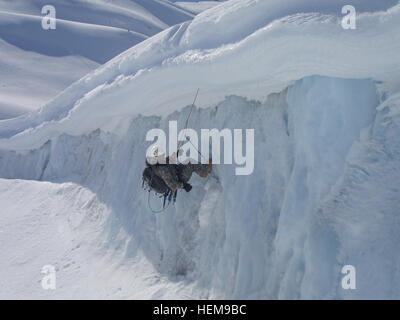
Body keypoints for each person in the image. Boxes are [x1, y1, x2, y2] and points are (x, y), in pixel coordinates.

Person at [144, 145, 212, 194]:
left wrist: (176, 154)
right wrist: (184, 186)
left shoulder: (157, 163)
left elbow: (167, 160)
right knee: (190, 163)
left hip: (175, 171)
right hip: (179, 179)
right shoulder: (162, 170)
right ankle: (205, 171)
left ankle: (203, 170)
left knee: (188, 161)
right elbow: (172, 184)